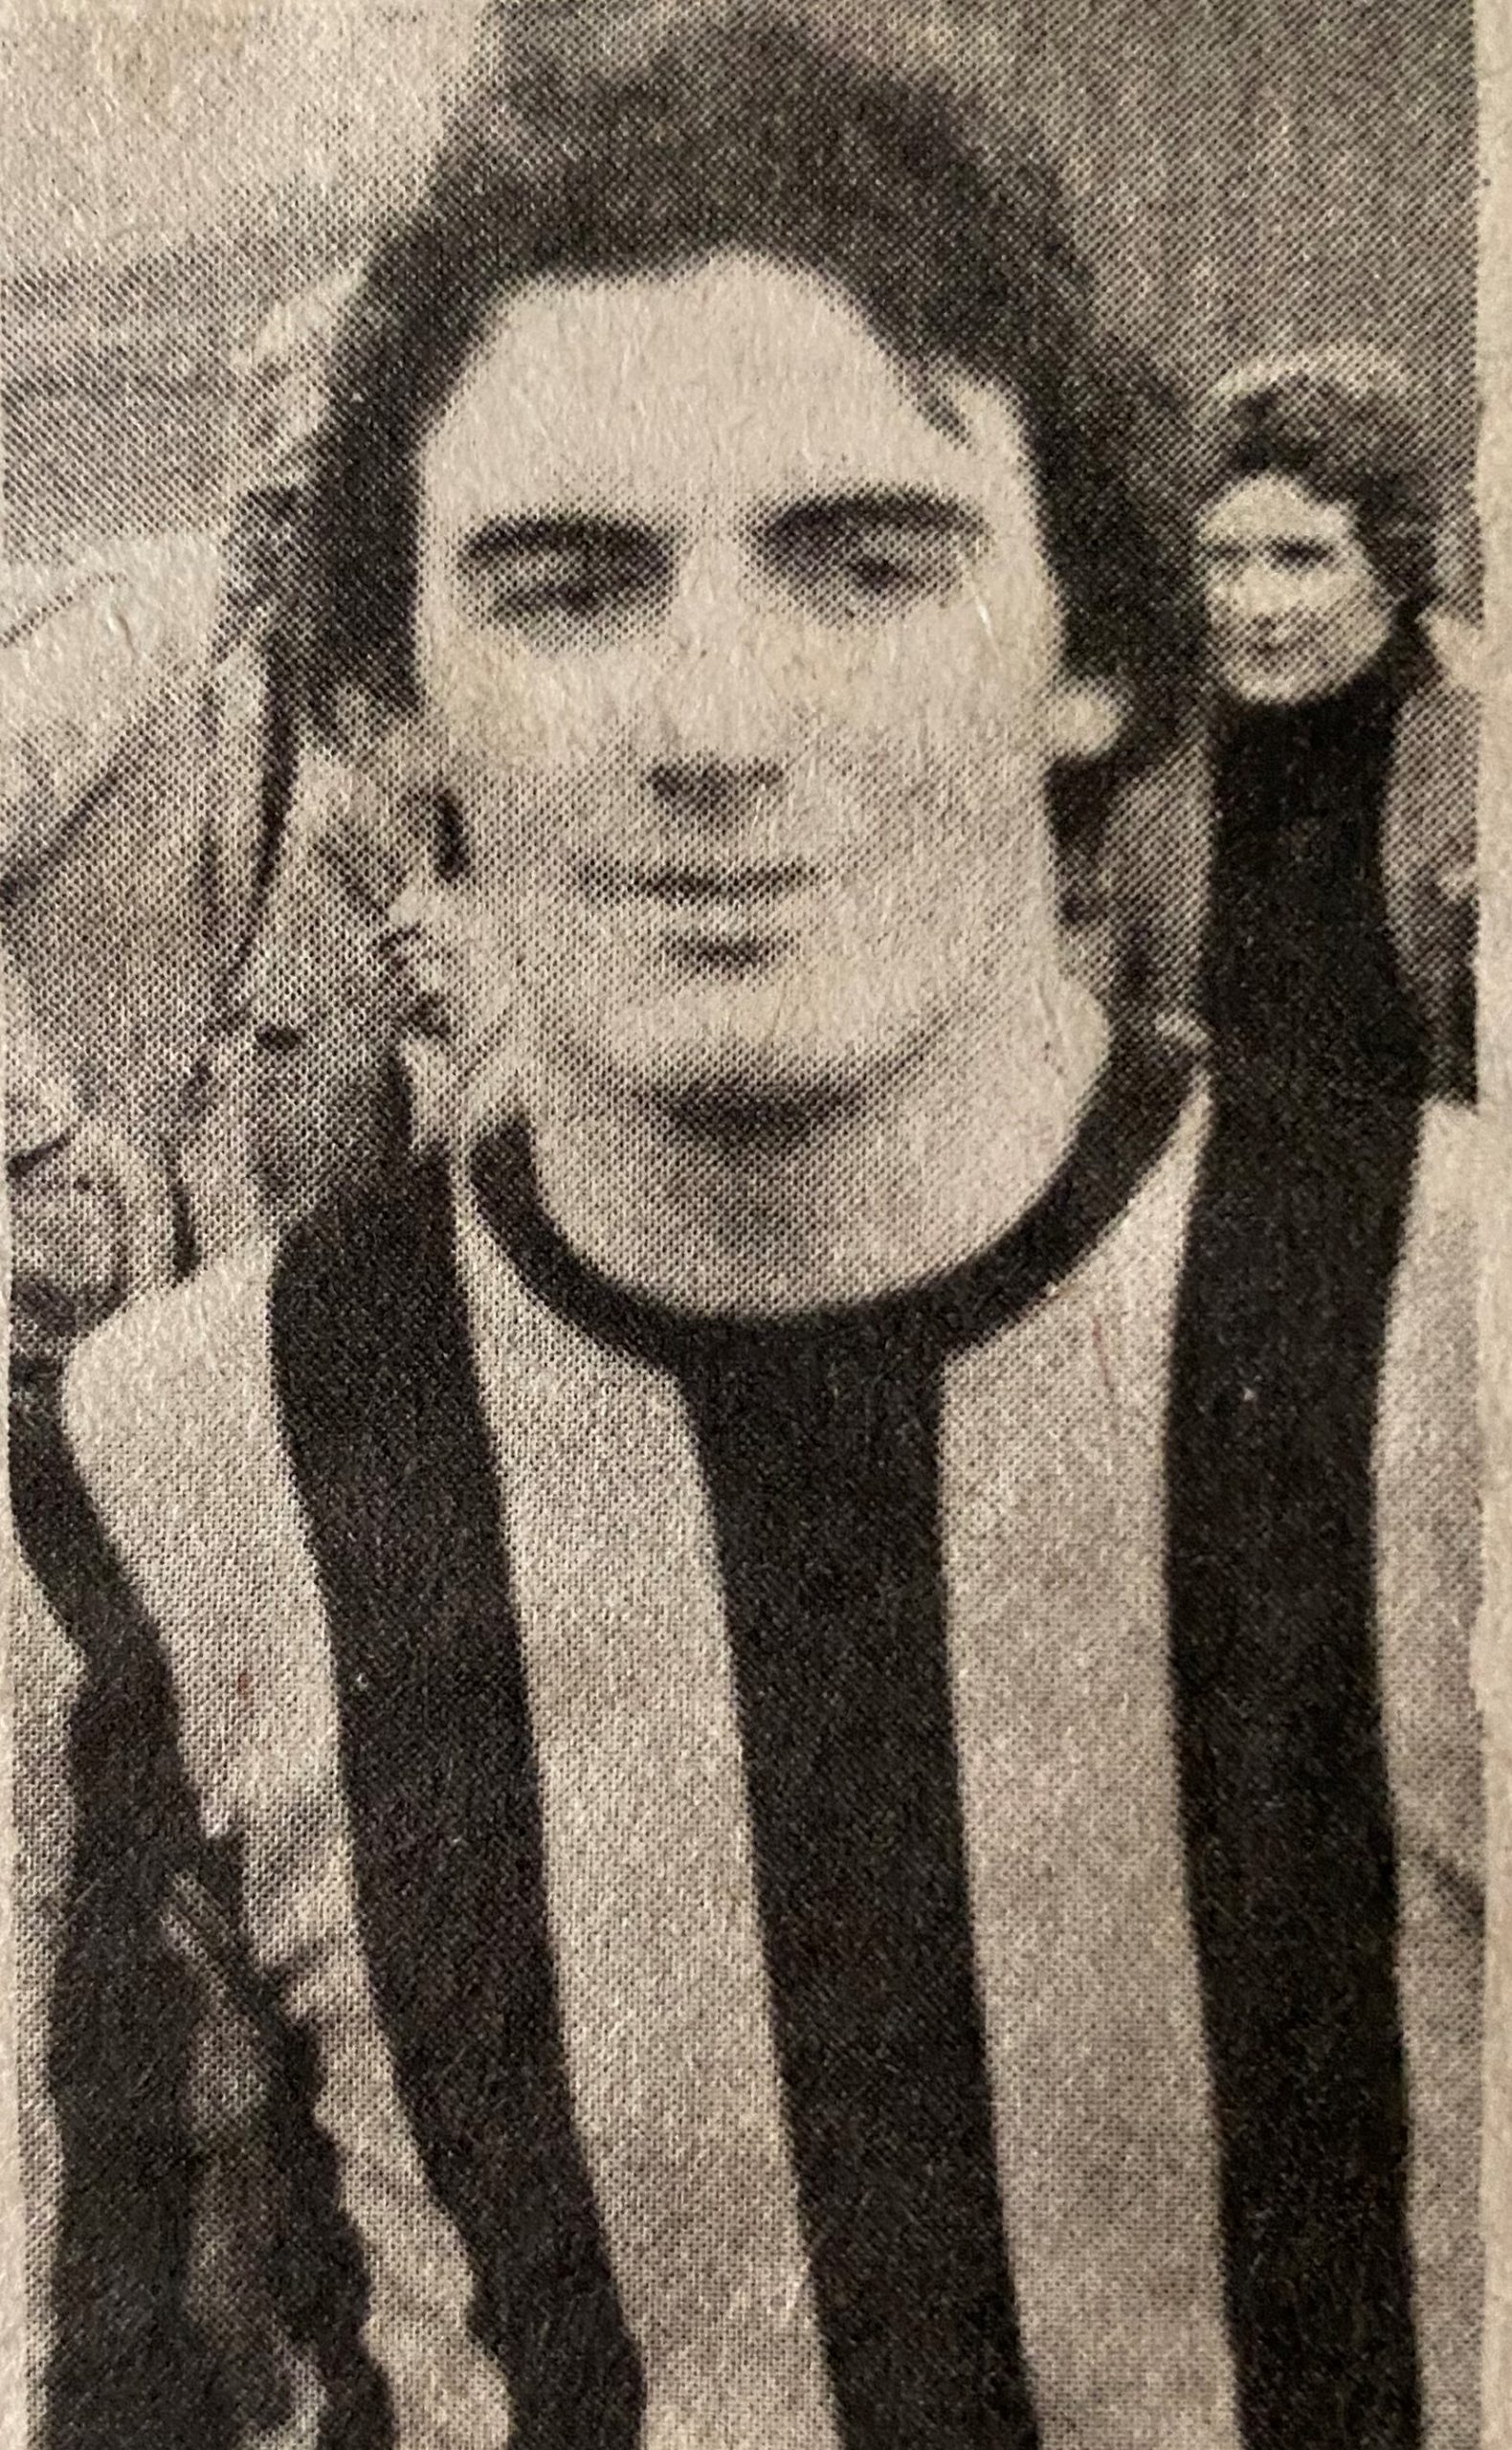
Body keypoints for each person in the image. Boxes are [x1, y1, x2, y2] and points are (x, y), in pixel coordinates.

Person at [26, 17, 1479, 2450]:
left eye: (865, 562)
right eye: (569, 584)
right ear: (388, 699)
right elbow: (136, 2374)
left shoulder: (1457, 1351)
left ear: (1088, 651)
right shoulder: (190, 1461)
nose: (712, 720)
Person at [1102, 353, 1478, 1106]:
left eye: (1301, 559)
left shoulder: (1479, 762)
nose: (1257, 604)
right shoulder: (1150, 786)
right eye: (1224, 560)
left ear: (1393, 570)